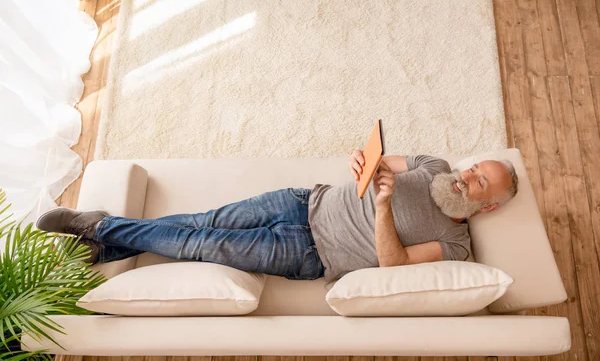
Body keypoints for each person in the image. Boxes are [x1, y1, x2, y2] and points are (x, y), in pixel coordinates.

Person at [35, 151, 519, 283]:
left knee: (200, 245)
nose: (464, 177)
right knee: (202, 223)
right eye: (473, 168)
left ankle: (99, 226)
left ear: (487, 205)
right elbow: (377, 161)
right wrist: (363, 162)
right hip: (301, 201)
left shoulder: (455, 245)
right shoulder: (435, 167)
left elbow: (393, 263)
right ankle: (106, 245)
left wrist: (384, 206)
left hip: (310, 253)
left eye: (478, 182)